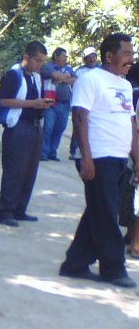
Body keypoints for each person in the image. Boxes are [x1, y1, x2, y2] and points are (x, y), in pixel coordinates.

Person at [59, 33, 138, 289]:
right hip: (98, 157)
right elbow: (79, 117)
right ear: (110, 56)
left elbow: (131, 123)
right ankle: (113, 268)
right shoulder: (90, 79)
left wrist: (137, 159)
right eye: (127, 53)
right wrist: (86, 158)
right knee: (106, 215)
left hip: (119, 157)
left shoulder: (125, 85)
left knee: (99, 210)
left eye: (132, 53)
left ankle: (75, 264)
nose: (132, 58)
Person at [0, 41, 54, 227]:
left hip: (35, 127)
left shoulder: (36, 77)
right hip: (18, 127)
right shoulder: (13, 75)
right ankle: (5, 211)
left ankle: (20, 209)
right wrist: (33, 104)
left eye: (42, 61)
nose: (40, 65)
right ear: (26, 57)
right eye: (37, 60)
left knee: (29, 171)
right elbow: (4, 101)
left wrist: (42, 104)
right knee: (14, 170)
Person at [40, 47, 77, 161]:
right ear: (56, 56)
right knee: (48, 128)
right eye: (64, 56)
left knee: (60, 128)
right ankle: (44, 153)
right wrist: (65, 77)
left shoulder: (68, 68)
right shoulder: (48, 67)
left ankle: (53, 152)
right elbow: (55, 76)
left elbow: (75, 79)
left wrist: (61, 80)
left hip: (65, 104)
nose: (66, 58)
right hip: (51, 103)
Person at [70, 47, 99, 159]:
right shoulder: (80, 72)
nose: (92, 59)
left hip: (95, 106)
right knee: (78, 126)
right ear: (85, 59)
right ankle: (74, 151)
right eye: (89, 57)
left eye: (93, 57)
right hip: (82, 104)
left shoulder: (101, 71)